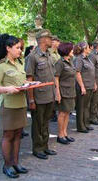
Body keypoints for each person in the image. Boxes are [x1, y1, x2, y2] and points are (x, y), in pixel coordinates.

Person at [0, 34, 28, 178]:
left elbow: (22, 80)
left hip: (21, 103)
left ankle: (16, 163)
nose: (20, 50)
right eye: (17, 48)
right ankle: (7, 165)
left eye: (20, 48)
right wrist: (7, 89)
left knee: (18, 134)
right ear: (8, 48)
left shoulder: (20, 63)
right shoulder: (1, 66)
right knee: (8, 135)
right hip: (8, 106)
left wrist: (26, 85)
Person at [26, 29, 57, 159]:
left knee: (45, 123)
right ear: (43, 40)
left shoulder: (49, 55)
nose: (52, 41)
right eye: (50, 38)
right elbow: (29, 79)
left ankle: (45, 146)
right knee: (38, 123)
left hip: (49, 96)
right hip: (39, 97)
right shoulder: (33, 57)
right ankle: (37, 148)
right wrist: (31, 100)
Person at [55, 42, 76, 144]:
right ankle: (60, 135)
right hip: (64, 91)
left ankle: (65, 133)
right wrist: (57, 92)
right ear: (67, 51)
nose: (73, 51)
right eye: (71, 49)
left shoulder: (70, 61)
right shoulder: (60, 63)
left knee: (67, 112)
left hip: (71, 90)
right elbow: (56, 78)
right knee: (62, 113)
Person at [74, 42, 96, 133]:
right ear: (84, 49)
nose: (90, 49)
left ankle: (86, 123)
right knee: (81, 107)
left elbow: (92, 72)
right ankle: (81, 126)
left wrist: (94, 83)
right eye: (88, 48)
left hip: (90, 85)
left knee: (87, 106)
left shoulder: (88, 59)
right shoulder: (79, 59)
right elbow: (77, 73)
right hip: (84, 86)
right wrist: (82, 86)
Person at [49, 35, 61, 122]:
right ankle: (51, 113)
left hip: (58, 76)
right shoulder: (49, 52)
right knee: (51, 95)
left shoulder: (58, 53)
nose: (57, 43)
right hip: (51, 76)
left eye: (57, 41)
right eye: (54, 41)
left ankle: (54, 112)